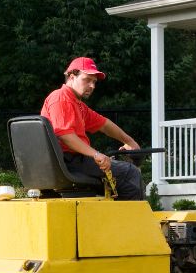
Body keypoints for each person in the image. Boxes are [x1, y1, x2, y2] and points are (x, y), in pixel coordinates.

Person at [41, 56, 144, 200]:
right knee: (130, 173)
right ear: (72, 77)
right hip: (68, 162)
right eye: (87, 80)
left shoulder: (78, 105)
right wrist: (96, 155)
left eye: (94, 82)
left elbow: (105, 125)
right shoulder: (61, 98)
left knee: (120, 176)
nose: (92, 86)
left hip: (73, 161)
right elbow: (65, 136)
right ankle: (130, 215)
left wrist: (129, 142)